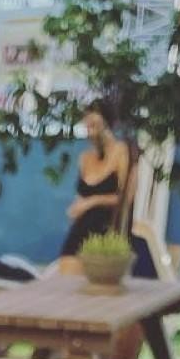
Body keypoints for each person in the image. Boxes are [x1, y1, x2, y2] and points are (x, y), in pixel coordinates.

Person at [57, 104, 132, 273]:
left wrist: (91, 201)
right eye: (87, 125)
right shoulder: (85, 157)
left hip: (107, 227)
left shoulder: (121, 151)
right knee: (67, 275)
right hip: (82, 226)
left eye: (94, 124)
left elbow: (125, 198)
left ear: (106, 123)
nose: (89, 129)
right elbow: (81, 196)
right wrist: (78, 207)